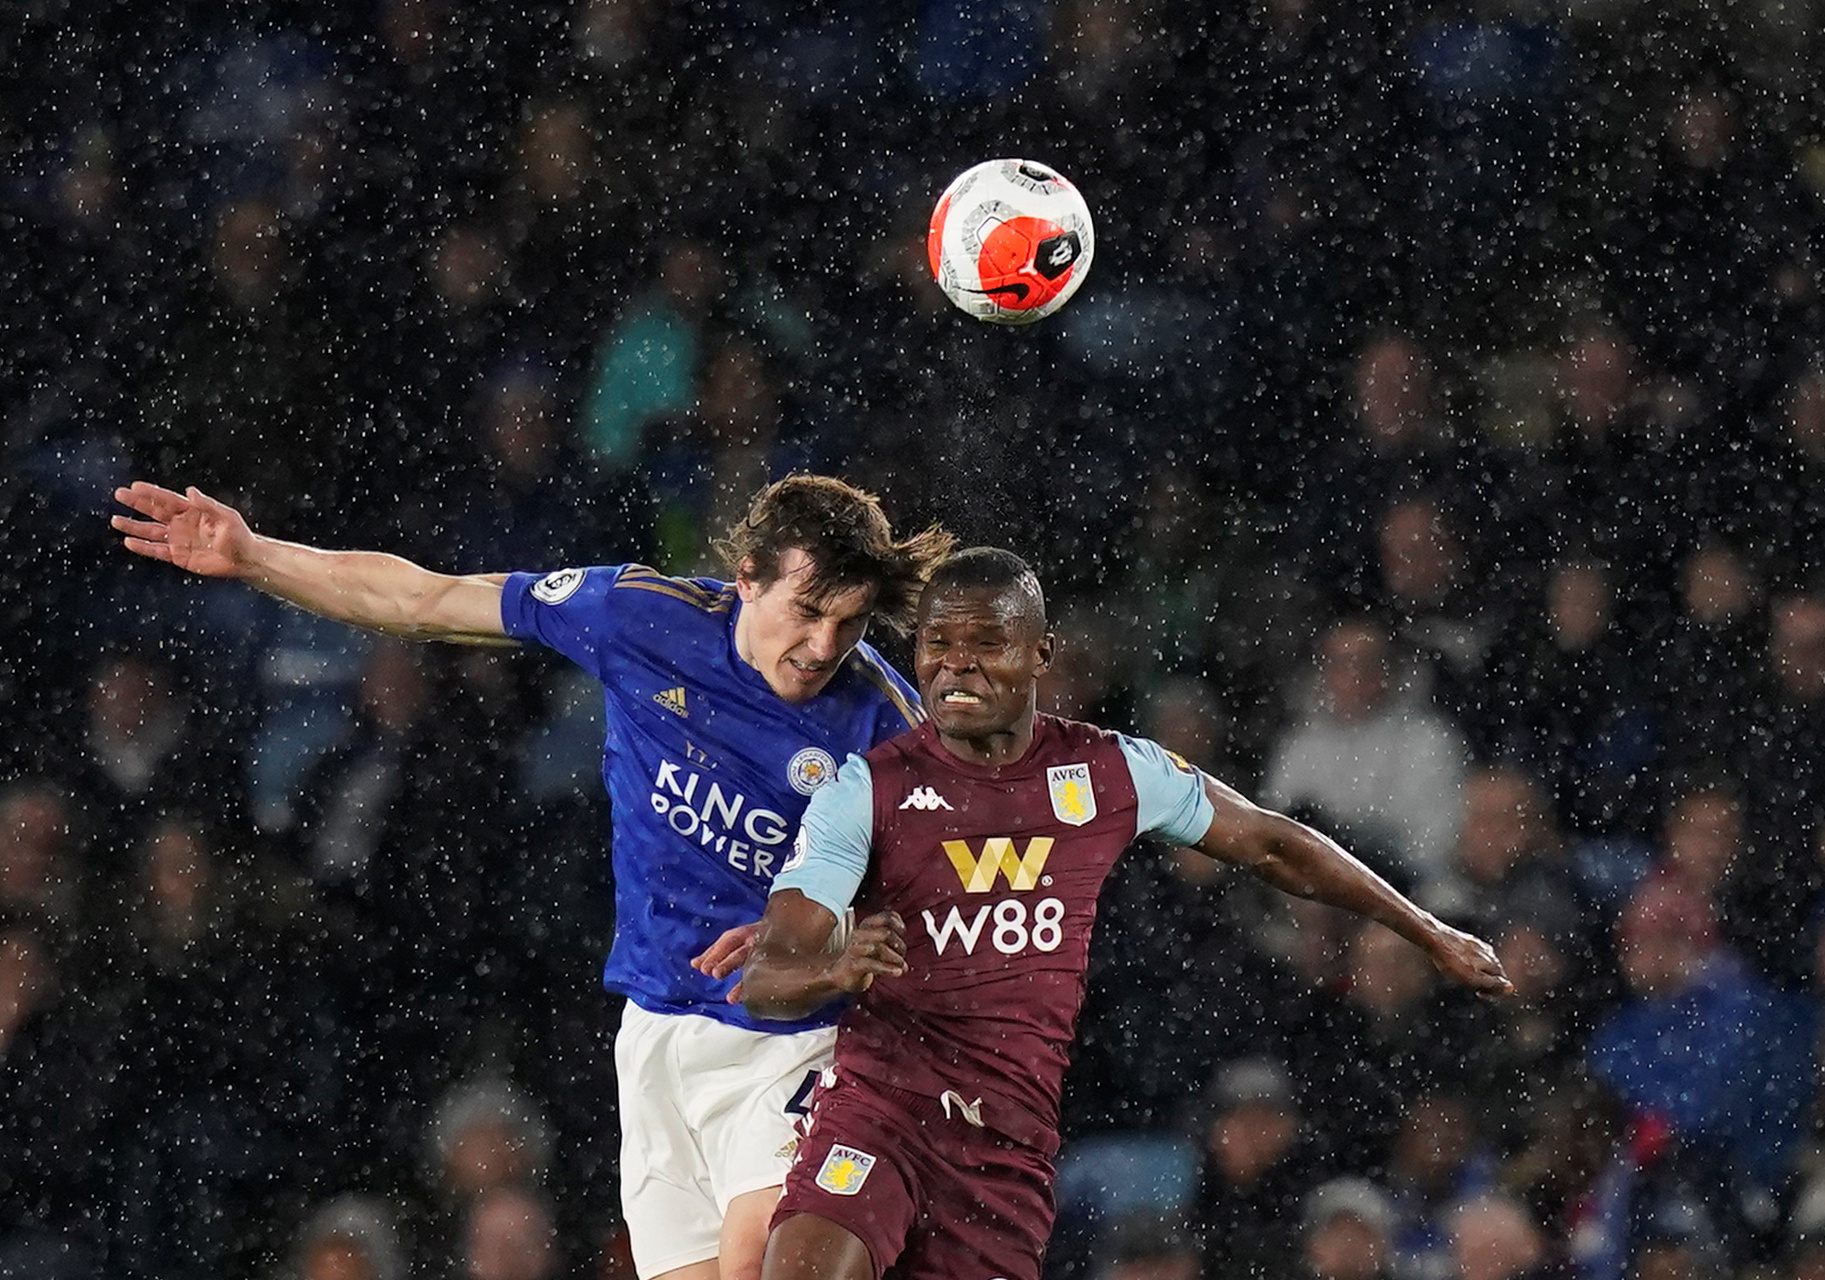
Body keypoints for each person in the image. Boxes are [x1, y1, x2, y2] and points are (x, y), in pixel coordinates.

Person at [110, 474, 955, 1280]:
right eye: (807, 613)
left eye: (849, 623)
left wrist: (834, 941)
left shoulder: (882, 728)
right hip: (658, 1030)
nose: (822, 647)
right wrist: (255, 555)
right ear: (745, 579)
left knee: (761, 1265)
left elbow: (955, 906)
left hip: (799, 1036)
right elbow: (426, 600)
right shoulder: (639, 619)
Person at [732, 547, 1512, 1280]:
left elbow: (1275, 847)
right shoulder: (864, 789)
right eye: (937, 641)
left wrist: (1425, 929)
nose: (955, 663)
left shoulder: (1110, 771)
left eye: (985, 641)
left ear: (1041, 653)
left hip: (1003, 1146)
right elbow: (767, 976)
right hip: (880, 1112)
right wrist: (834, 969)